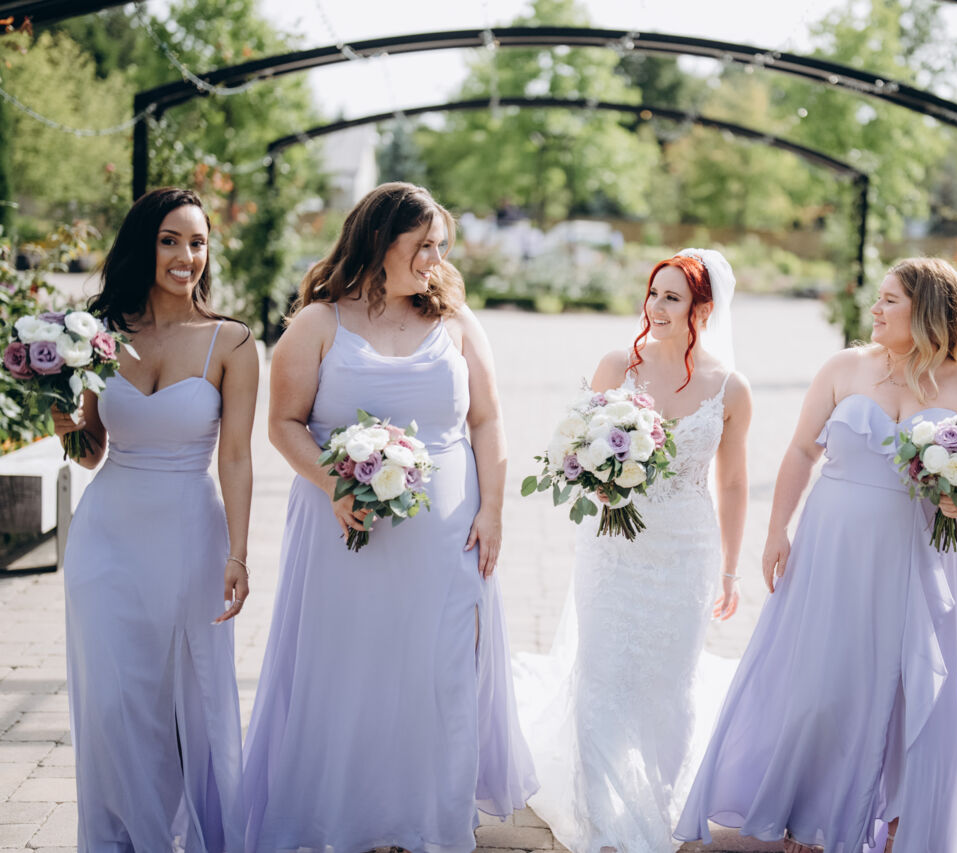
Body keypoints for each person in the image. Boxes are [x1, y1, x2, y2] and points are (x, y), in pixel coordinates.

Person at [241, 182, 536, 852]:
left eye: (441, 245)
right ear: (379, 240)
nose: (436, 259)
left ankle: (429, 821)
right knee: (351, 672)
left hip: (447, 536)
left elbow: (487, 421)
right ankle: (348, 817)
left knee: (440, 670)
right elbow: (283, 423)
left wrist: (494, 509)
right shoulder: (319, 324)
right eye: (423, 245)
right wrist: (334, 483)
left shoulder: (457, 323)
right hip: (344, 533)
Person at [677, 258, 957, 853]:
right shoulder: (844, 368)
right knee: (823, 679)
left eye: (890, 300)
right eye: (878, 298)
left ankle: (897, 816)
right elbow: (802, 450)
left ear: (928, 310)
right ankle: (814, 809)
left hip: (914, 555)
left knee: (905, 684)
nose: (875, 309)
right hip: (831, 546)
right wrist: (778, 531)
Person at [515, 249, 752, 852]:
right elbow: (575, 447)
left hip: (686, 552)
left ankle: (660, 801)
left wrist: (730, 568)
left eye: (673, 297)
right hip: (613, 550)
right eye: (653, 293)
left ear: (703, 309)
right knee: (602, 677)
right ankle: (603, 823)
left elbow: (731, 482)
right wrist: (596, 479)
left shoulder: (730, 388)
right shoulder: (618, 365)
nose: (657, 307)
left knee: (668, 684)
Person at [53, 187, 256, 852]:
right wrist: (59, 413)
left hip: (189, 539)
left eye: (197, 242)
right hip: (106, 536)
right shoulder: (101, 334)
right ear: (145, 245)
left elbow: (235, 458)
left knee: (182, 702)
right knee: (112, 702)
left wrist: (239, 553)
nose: (185, 256)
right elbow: (90, 450)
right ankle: (121, 839)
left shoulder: (232, 341)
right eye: (170, 240)